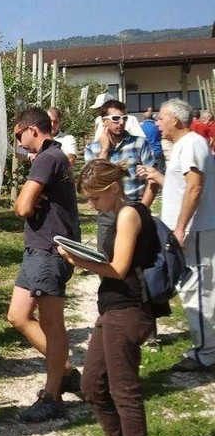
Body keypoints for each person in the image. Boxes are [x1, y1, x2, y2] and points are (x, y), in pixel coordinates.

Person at [58, 160, 163, 436]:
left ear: (113, 189)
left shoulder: (129, 214)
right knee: (91, 386)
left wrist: (79, 261)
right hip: (112, 309)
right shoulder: (120, 212)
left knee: (123, 390)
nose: (92, 205)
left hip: (127, 310)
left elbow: (118, 269)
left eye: (95, 198)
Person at [7, 107, 81, 422]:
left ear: (33, 129)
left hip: (51, 249)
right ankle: (64, 371)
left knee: (52, 324)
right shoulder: (53, 156)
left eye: (19, 136)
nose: (19, 144)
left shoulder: (49, 158)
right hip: (41, 249)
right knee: (18, 315)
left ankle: (53, 396)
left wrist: (25, 200)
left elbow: (22, 207)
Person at [137, 99, 215, 372]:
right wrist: (157, 176)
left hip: (194, 230)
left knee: (197, 289)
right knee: (194, 287)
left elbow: (194, 188)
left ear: (177, 121)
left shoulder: (192, 143)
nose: (157, 123)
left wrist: (181, 227)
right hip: (190, 229)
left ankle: (205, 353)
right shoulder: (185, 145)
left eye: (161, 118)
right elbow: (182, 186)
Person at [84, 99, 157, 254]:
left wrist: (143, 208)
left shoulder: (139, 144)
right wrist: (104, 149)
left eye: (124, 118)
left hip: (135, 207)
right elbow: (94, 181)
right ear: (104, 122)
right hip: (107, 212)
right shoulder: (93, 149)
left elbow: (153, 179)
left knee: (140, 257)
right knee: (106, 256)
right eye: (115, 119)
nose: (121, 122)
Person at [139, 107, 165, 172]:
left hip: (148, 152)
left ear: (144, 118)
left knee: (149, 172)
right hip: (158, 150)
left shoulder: (141, 127)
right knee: (160, 172)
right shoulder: (157, 126)